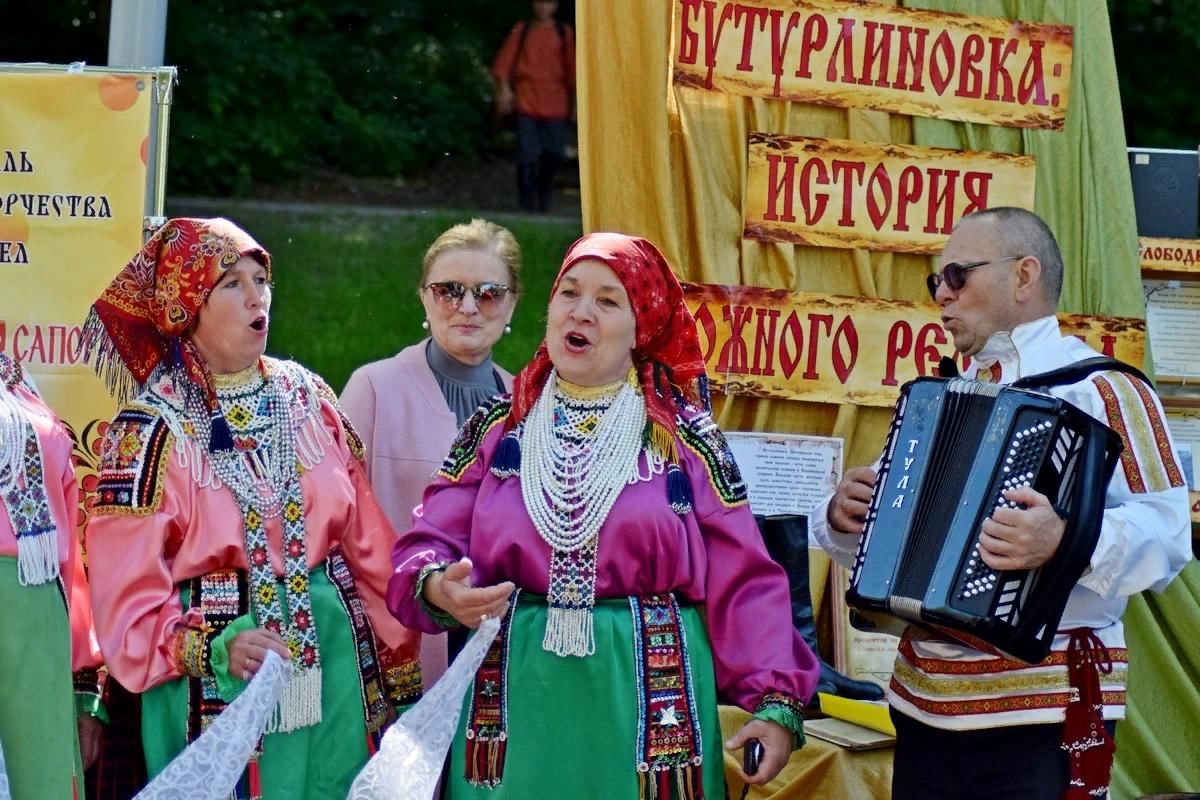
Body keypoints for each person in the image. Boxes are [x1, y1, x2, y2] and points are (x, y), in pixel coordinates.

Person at [388, 232, 819, 799]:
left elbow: (743, 577)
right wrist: (438, 585)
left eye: (607, 300)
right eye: (569, 292)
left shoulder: (684, 439)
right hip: (520, 689)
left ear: (642, 326)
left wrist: (774, 698)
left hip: (646, 694)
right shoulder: (499, 430)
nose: (581, 311)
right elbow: (429, 537)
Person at [814, 207, 1192, 800]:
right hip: (924, 708)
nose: (942, 294)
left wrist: (1066, 540)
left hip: (1041, 712)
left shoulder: (1104, 388)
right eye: (935, 280)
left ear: (1024, 276)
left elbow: (1170, 534)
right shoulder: (937, 398)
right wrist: (843, 519)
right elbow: (886, 546)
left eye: (958, 275)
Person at [80, 217, 420, 798]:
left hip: (335, 663)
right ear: (187, 307)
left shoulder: (307, 396)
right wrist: (209, 645)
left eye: (261, 278)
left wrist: (400, 657)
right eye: (231, 283)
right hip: (218, 678)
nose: (256, 295)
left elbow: (365, 541)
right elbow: (125, 594)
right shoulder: (148, 431)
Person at [341, 218, 519, 689]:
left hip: (503, 648)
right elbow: (336, 527)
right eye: (448, 290)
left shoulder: (530, 404)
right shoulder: (373, 388)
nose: (467, 307)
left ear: (511, 305)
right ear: (424, 297)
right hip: (396, 641)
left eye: (488, 293)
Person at [0, 353, 104, 798]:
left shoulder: (17, 382)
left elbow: (70, 569)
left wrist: (85, 687)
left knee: (41, 782)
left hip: (36, 615)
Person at [492, 0, 575, 212]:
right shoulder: (523, 30)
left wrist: (575, 105)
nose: (543, 7)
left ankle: (543, 192)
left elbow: (573, 73)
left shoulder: (563, 32)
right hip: (526, 98)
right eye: (539, 2)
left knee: (554, 154)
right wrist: (504, 91)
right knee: (527, 154)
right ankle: (526, 202)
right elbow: (503, 65)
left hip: (556, 101)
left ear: (555, 6)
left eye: (547, 3)